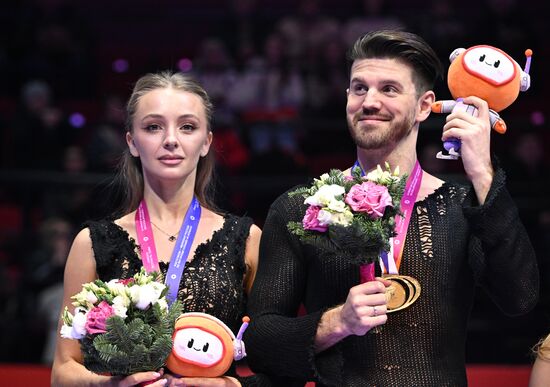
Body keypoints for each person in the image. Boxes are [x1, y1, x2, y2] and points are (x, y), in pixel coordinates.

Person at [245, 30, 539, 386]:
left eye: (389, 89)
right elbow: (261, 343)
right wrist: (337, 322)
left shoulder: (461, 206)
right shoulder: (299, 206)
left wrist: (481, 171)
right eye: (359, 88)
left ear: (424, 106)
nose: (369, 102)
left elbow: (520, 298)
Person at [51, 71, 264, 386]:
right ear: (132, 142)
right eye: (153, 127)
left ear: (206, 142)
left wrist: (229, 384)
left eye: (187, 127)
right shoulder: (93, 243)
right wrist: (106, 384)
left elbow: (278, 367)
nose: (171, 140)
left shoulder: (246, 240)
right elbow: (62, 370)